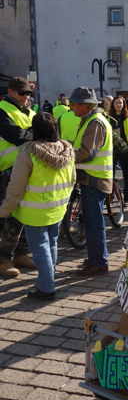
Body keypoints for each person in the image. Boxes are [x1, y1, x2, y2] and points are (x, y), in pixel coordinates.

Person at [0, 113, 75, 298]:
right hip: (58, 208)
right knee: (52, 243)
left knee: (40, 247)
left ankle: (46, 287)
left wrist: (5, 209)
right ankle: (48, 280)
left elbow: (16, 186)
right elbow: (72, 179)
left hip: (34, 211)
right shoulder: (67, 150)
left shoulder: (28, 152)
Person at [70, 87, 113, 275]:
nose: (71, 108)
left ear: (85, 106)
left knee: (95, 223)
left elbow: (87, 153)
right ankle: (95, 258)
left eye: (74, 105)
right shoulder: (90, 120)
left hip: (95, 180)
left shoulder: (95, 122)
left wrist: (65, 155)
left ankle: (99, 262)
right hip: (91, 179)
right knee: (91, 222)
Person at [0, 76, 36, 278]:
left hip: (27, 169)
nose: (26, 97)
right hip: (8, 170)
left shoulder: (30, 112)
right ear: (11, 91)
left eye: (28, 93)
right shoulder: (2, 109)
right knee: (9, 214)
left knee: (24, 214)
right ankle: (4, 258)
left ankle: (20, 253)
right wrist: (35, 133)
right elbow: (14, 135)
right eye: (23, 93)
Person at [109, 96, 128, 202]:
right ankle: (111, 195)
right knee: (111, 173)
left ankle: (127, 194)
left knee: (126, 173)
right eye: (116, 103)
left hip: (125, 149)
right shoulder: (109, 117)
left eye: (120, 103)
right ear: (113, 104)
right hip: (113, 149)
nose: (119, 105)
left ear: (124, 104)